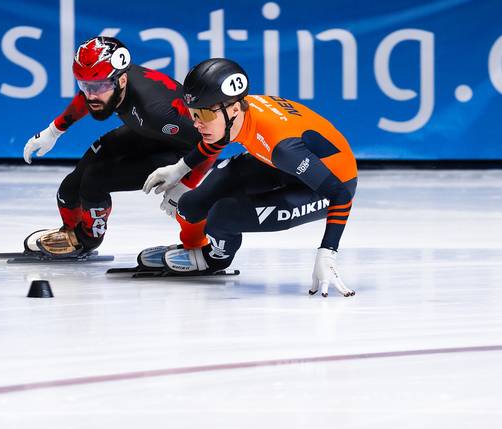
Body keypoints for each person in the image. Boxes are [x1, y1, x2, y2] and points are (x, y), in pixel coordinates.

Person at [143, 58, 358, 296]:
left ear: (234, 109)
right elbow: (218, 137)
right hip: (284, 164)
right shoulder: (236, 112)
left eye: (203, 114)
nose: (196, 124)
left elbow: (340, 195)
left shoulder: (282, 147)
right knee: (190, 205)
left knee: (223, 215)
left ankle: (215, 259)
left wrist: (327, 253)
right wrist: (180, 169)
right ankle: (200, 244)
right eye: (193, 113)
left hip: (331, 185)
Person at [22, 36, 213, 261]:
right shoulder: (109, 82)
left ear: (121, 81)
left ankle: (87, 240)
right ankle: (71, 233)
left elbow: (214, 139)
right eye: (84, 85)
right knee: (70, 187)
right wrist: (53, 131)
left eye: (99, 86)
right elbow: (90, 95)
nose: (91, 95)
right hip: (147, 133)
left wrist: (186, 181)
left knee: (95, 181)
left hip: (183, 152)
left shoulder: (156, 110)